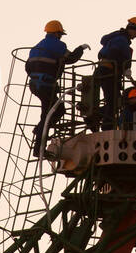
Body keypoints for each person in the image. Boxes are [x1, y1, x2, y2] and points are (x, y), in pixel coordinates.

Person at [26, 21, 89, 156]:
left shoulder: (36, 47)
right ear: (57, 33)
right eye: (60, 34)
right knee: (50, 114)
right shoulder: (58, 45)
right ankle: (38, 148)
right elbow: (70, 58)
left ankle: (39, 130)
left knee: (54, 111)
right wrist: (81, 49)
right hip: (46, 86)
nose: (60, 36)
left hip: (35, 85)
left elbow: (28, 68)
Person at [91, 16, 136, 131]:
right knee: (114, 102)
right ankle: (105, 125)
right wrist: (124, 66)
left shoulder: (118, 38)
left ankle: (95, 117)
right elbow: (115, 53)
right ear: (132, 29)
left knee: (115, 101)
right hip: (108, 71)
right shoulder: (121, 40)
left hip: (105, 71)